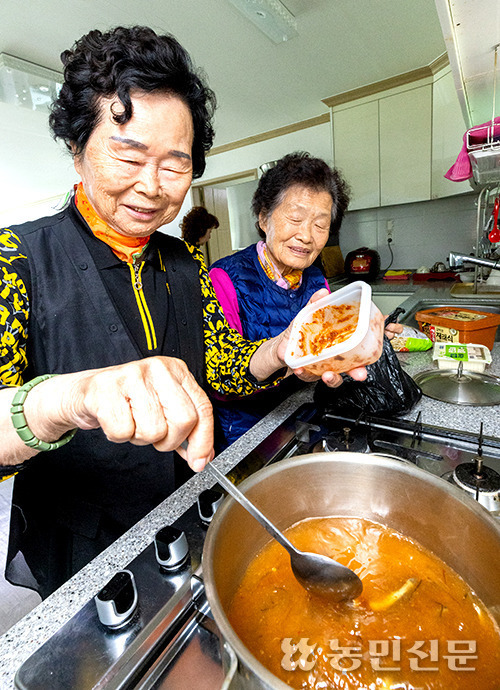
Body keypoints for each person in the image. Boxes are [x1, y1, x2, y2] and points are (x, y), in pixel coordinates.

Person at [0, 27, 367, 598]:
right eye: (128, 154)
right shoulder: (17, 259)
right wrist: (68, 400)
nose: (151, 186)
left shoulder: (183, 263)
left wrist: (290, 347)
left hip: (180, 503)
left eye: (175, 164)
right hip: (81, 534)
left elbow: (227, 366)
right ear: (77, 149)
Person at [208, 153, 350, 448]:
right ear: (263, 217)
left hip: (303, 417)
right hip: (246, 432)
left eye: (320, 225)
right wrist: (277, 355)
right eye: (295, 219)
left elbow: (321, 354)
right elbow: (219, 382)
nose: (306, 236)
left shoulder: (316, 279)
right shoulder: (224, 278)